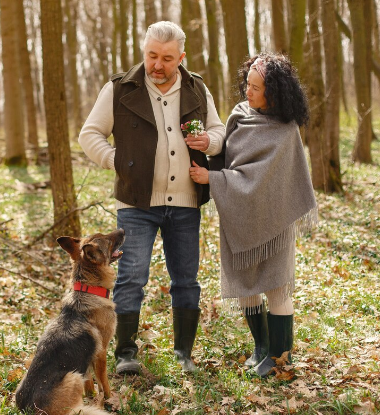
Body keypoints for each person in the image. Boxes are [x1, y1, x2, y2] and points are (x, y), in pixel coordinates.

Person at [78, 21, 226, 374]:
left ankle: (184, 355)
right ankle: (126, 354)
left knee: (186, 279)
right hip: (136, 202)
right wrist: (116, 160)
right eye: (152, 56)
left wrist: (210, 142)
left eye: (167, 58)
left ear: (181, 58)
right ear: (144, 51)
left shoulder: (197, 88)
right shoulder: (119, 88)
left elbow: (219, 130)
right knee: (132, 277)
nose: (157, 65)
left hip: (186, 200)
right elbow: (89, 134)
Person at [189, 52, 318, 377]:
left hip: (275, 220)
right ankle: (262, 349)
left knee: (276, 286)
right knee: (246, 285)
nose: (249, 91)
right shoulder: (239, 115)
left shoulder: (285, 130)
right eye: (248, 83)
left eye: (256, 87)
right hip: (239, 215)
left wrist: (213, 180)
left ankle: (281, 357)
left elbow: (264, 180)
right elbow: (228, 156)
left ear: (273, 92)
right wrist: (207, 149)